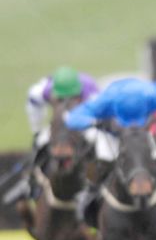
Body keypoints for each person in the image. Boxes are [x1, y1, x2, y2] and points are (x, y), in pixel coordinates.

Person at [65, 77, 156, 226]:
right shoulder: (105, 101)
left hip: (141, 135)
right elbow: (72, 119)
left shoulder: (155, 95)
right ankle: (89, 194)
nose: (131, 124)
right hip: (113, 134)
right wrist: (94, 122)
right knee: (102, 161)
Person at [3, 66, 100, 205]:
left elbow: (97, 117)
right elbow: (34, 109)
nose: (66, 101)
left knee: (95, 142)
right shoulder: (40, 91)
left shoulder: (91, 91)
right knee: (40, 142)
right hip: (57, 122)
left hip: (84, 120)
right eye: (61, 98)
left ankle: (96, 186)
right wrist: (37, 131)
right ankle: (31, 181)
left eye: (72, 97)